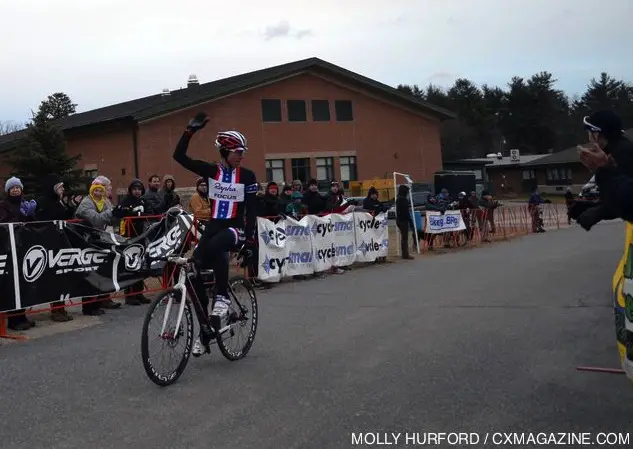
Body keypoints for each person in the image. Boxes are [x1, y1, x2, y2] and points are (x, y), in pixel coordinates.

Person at [173, 112, 258, 357]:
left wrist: (251, 241)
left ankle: (222, 298)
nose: (241, 156)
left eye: (243, 152)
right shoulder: (212, 172)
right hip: (214, 226)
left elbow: (251, 210)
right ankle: (205, 330)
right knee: (194, 271)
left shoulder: (248, 176)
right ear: (225, 152)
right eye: (237, 152)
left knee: (219, 246)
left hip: (235, 228)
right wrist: (189, 131)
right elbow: (178, 157)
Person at [571, 111, 633, 230]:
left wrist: (599, 211)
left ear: (597, 134)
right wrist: (594, 207)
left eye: (589, 133)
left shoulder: (622, 153)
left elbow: (627, 199)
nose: (589, 138)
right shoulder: (616, 149)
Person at [75, 179, 122, 314]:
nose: (98, 192)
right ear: (91, 191)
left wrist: (119, 213)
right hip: (84, 240)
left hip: (98, 240)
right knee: (88, 272)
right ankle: (88, 307)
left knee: (99, 272)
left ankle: (98, 303)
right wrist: (112, 213)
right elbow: (96, 219)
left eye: (101, 190)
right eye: (96, 190)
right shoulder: (86, 203)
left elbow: (111, 220)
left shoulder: (105, 202)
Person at [34, 174, 76, 322]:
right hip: (49, 244)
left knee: (62, 277)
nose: (63, 189)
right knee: (54, 278)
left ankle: (61, 308)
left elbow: (66, 219)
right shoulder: (43, 202)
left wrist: (71, 205)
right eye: (60, 187)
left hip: (61, 242)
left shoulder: (59, 202)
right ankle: (55, 310)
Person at [0, 177, 37, 330]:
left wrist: (29, 215)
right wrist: (16, 220)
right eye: (12, 188)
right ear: (8, 191)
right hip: (9, 249)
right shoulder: (3, 206)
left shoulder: (24, 204)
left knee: (22, 285)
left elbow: (34, 224)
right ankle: (13, 320)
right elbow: (3, 224)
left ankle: (22, 316)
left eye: (17, 187)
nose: (15, 190)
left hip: (23, 248)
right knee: (11, 285)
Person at [113, 178, 151, 305]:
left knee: (140, 265)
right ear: (130, 190)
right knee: (130, 265)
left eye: (139, 189)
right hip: (129, 236)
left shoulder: (143, 201)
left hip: (141, 235)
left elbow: (150, 212)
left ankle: (139, 293)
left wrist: (142, 214)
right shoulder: (126, 200)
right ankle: (129, 295)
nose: (137, 191)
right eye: (134, 189)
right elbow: (117, 212)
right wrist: (130, 213)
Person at [395, 184, 414, 260]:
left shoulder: (398, 199)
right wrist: (410, 221)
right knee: (405, 238)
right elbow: (406, 212)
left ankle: (404, 253)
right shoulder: (403, 199)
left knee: (403, 237)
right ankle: (405, 254)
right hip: (403, 220)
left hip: (399, 220)